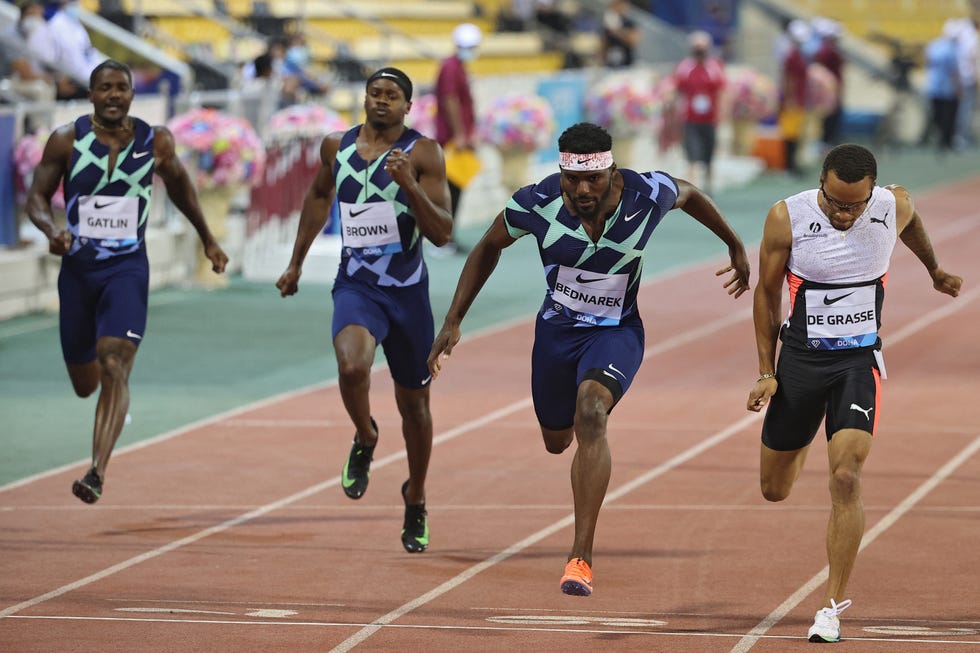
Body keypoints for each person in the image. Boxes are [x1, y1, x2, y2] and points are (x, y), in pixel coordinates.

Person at [428, 122, 750, 596]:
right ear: (560, 173)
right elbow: (486, 248)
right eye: (572, 179)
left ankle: (580, 557)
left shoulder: (645, 193)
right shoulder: (535, 203)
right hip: (556, 336)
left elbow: (691, 194)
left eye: (592, 180)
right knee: (557, 441)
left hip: (617, 332)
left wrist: (734, 242)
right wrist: (454, 319)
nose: (582, 190)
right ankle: (572, 458)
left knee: (591, 412)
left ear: (610, 171)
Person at [746, 143, 962, 643]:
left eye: (854, 206)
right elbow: (767, 291)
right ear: (821, 181)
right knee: (773, 489)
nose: (844, 214)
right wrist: (765, 370)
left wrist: (934, 271)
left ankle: (830, 606)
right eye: (835, 203)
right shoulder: (788, 216)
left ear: (873, 193)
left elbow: (913, 228)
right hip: (800, 362)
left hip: (856, 363)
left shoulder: (893, 205)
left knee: (846, 475)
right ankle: (800, 432)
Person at [25, 60, 229, 504]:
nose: (114, 95)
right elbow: (37, 197)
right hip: (78, 272)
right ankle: (107, 400)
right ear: (91, 94)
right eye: (105, 88)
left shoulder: (155, 140)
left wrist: (208, 239)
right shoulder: (67, 139)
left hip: (127, 268)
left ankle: (96, 471)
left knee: (114, 360)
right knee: (85, 382)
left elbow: (180, 188)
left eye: (122, 88)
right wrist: (51, 232)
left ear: (132, 94)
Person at [276, 67, 453, 553]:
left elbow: (442, 233)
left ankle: (415, 496)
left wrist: (409, 185)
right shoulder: (337, 147)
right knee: (352, 366)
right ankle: (366, 434)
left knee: (415, 406)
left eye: (392, 96)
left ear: (407, 107)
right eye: (374, 93)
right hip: (357, 285)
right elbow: (317, 199)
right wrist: (295, 263)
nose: (381, 101)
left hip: (408, 293)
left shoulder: (423, 152)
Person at [433, 22, 482, 255]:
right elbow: (450, 99)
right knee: (449, 190)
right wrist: (460, 134)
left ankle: (449, 236)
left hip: (458, 138)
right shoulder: (451, 67)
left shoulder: (458, 66)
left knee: (456, 189)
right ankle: (443, 239)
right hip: (452, 140)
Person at [672, 30, 726, 194]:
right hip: (690, 118)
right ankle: (692, 190)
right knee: (692, 155)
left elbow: (721, 91)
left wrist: (722, 113)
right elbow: (677, 89)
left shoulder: (714, 66)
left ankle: (709, 186)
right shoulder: (685, 67)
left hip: (709, 118)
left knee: (709, 154)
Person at [26, 0, 106, 99]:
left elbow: (89, 52)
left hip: (86, 77)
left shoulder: (72, 22)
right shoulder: (50, 24)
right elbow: (54, 61)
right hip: (71, 82)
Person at [600, 0, 640, 68]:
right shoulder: (608, 23)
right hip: (611, 63)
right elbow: (604, 44)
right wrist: (602, 61)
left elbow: (633, 41)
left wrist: (617, 32)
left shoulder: (629, 23)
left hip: (627, 63)